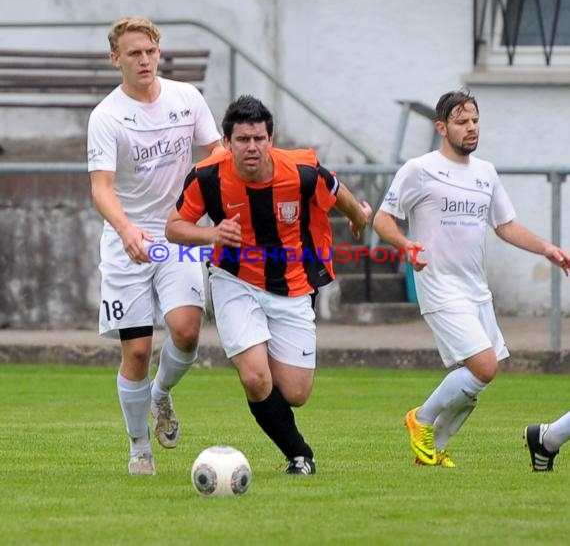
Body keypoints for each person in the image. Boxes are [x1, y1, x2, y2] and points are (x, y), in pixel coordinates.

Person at [166, 95, 371, 475]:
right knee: (256, 378)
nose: (252, 147)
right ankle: (300, 455)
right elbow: (173, 227)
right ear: (227, 142)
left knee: (295, 392)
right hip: (234, 280)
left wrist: (359, 216)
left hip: (292, 284)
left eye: (259, 138)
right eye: (242, 139)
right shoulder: (207, 176)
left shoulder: (300, 171)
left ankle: (284, 427)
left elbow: (334, 187)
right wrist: (210, 234)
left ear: (271, 138)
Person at [373, 89, 570, 468]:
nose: (472, 128)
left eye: (475, 120)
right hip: (439, 285)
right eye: (462, 122)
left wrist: (546, 248)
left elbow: (505, 226)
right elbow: (382, 219)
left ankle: (433, 450)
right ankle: (421, 419)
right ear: (442, 128)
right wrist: (405, 244)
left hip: (475, 289)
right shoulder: (420, 168)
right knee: (484, 366)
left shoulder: (486, 173)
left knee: (479, 375)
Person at [87, 16, 224, 475]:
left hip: (177, 232)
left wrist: (211, 217)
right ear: (116, 59)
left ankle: (161, 395)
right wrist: (126, 230)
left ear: (158, 52)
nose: (143, 60)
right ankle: (138, 448)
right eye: (133, 54)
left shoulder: (186, 98)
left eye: (150, 51)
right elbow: (101, 188)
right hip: (127, 238)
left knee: (186, 333)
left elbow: (216, 156)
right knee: (139, 352)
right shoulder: (106, 116)